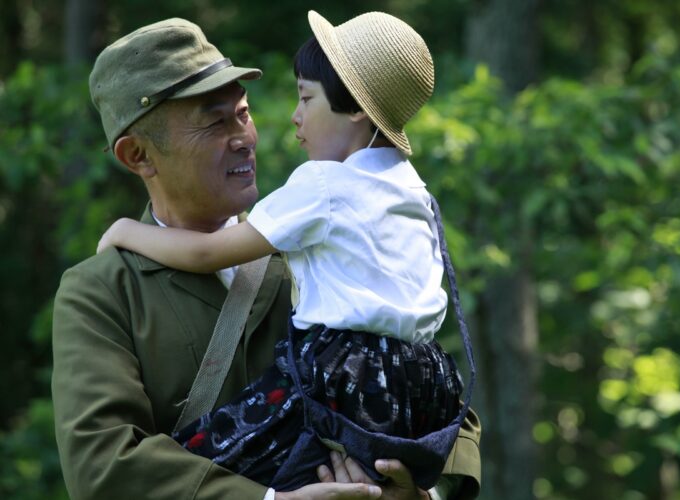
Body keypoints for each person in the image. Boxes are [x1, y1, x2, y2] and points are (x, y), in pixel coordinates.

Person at [51, 16, 482, 500]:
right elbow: (101, 465)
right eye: (215, 121)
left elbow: (435, 401)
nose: (245, 137)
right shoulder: (103, 290)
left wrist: (414, 490)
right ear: (138, 156)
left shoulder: (321, 246)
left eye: (244, 112)